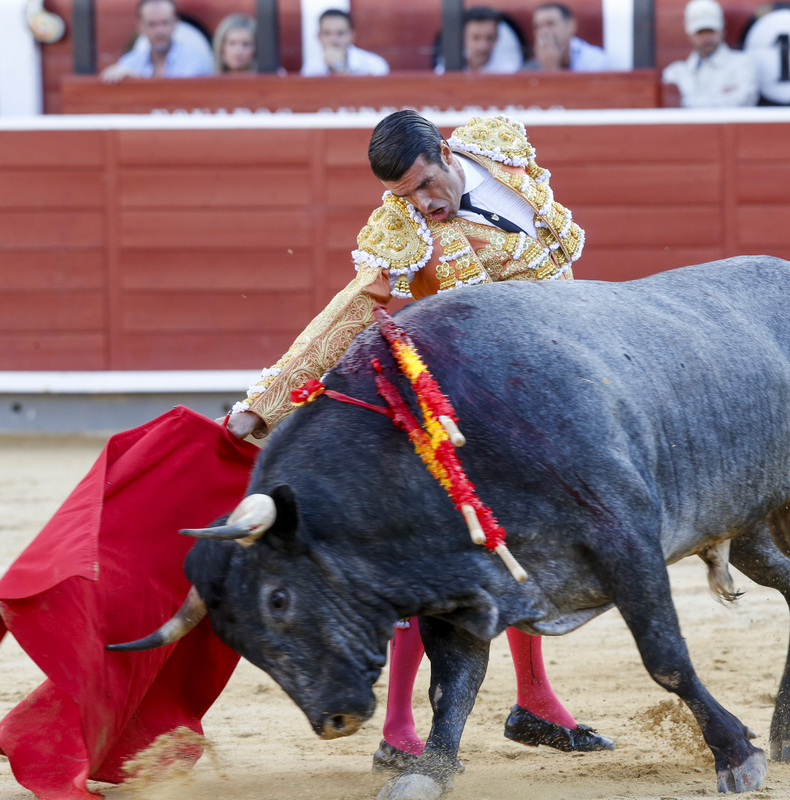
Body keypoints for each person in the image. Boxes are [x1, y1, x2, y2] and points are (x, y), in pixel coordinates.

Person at [223, 111, 611, 770]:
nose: (422, 202)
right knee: (425, 558)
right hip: (466, 411)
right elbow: (345, 315)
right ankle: (399, 726)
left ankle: (536, 701)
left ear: (442, 150)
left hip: (549, 398)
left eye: (425, 183)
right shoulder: (404, 232)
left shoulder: (500, 154)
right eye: (405, 194)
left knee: (523, 547)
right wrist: (259, 406)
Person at [661, 0, 759, 107]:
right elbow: (669, 106)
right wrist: (723, 97)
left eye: (711, 31)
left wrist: (687, 102)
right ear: (690, 35)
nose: (707, 38)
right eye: (700, 32)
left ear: (722, 30)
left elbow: (745, 100)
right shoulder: (675, 72)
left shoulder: (743, 64)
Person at [100, 0, 213, 83]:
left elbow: (181, 97)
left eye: (165, 23)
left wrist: (135, 80)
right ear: (140, 27)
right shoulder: (129, 62)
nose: (160, 31)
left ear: (175, 23)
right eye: (152, 24)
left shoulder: (194, 60)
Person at [434, 6, 525, 73]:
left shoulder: (509, 70)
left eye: (490, 38)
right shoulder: (448, 67)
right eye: (476, 38)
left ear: (497, 37)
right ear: (463, 38)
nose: (483, 46)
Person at [523, 2, 613, 70]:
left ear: (571, 25)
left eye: (550, 24)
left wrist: (551, 69)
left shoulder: (594, 61)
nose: (543, 32)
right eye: (537, 27)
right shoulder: (530, 68)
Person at [301, 8, 390, 77]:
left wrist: (338, 67)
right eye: (327, 33)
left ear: (352, 36)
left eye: (340, 33)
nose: (334, 40)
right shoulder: (312, 68)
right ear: (319, 36)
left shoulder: (374, 64)